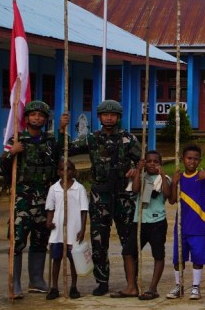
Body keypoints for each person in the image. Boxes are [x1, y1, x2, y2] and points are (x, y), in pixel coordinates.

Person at [61, 99, 142, 297]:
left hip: (123, 195)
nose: (109, 118)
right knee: (99, 241)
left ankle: (132, 281)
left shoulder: (129, 139)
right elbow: (67, 148)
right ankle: (102, 281)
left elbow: (143, 160)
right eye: (105, 114)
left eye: (113, 115)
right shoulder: (92, 139)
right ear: (99, 117)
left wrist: (136, 169)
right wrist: (62, 129)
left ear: (118, 117)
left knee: (128, 240)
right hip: (100, 196)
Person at [0, 100, 61, 298]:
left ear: (45, 119)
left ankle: (36, 280)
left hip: (45, 199)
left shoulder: (50, 141)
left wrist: (63, 129)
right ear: (26, 118)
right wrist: (12, 153)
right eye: (33, 114)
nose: (37, 118)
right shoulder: (16, 140)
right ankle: (15, 283)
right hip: (22, 200)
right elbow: (1, 169)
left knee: (41, 239)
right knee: (17, 240)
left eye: (41, 115)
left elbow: (59, 164)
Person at [168, 144, 205, 300]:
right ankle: (179, 285)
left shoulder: (202, 177)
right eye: (189, 158)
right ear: (183, 159)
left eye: (195, 159)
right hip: (181, 226)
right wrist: (174, 183)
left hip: (198, 226)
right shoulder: (179, 178)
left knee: (198, 258)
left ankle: (195, 286)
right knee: (178, 258)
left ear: (200, 160)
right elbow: (172, 200)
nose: (192, 161)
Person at [122, 150, 172, 300]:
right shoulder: (141, 176)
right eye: (149, 161)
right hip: (140, 222)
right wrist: (138, 170)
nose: (152, 164)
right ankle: (131, 286)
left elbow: (167, 194)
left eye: (155, 161)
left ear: (160, 164)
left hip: (157, 222)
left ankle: (153, 288)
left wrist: (162, 175)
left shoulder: (164, 178)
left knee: (158, 254)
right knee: (128, 252)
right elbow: (135, 190)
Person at [44, 159, 88, 300]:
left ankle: (73, 287)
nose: (65, 172)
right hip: (58, 231)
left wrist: (82, 229)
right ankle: (54, 287)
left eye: (68, 169)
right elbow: (50, 208)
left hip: (74, 230)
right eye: (62, 169)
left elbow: (84, 210)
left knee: (74, 259)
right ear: (58, 172)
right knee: (56, 259)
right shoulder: (54, 188)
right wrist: (49, 222)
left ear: (73, 171)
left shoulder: (79, 188)